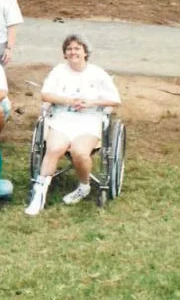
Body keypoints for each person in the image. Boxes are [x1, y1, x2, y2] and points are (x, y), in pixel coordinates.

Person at [25, 34, 122, 216]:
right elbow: (46, 95)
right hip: (62, 117)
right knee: (53, 148)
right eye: (69, 49)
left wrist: (90, 103)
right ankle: (39, 194)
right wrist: (68, 100)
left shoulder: (97, 73)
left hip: (89, 120)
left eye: (77, 48)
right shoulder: (59, 71)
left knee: (79, 151)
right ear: (65, 54)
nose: (73, 52)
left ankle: (84, 186)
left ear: (85, 52)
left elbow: (115, 100)